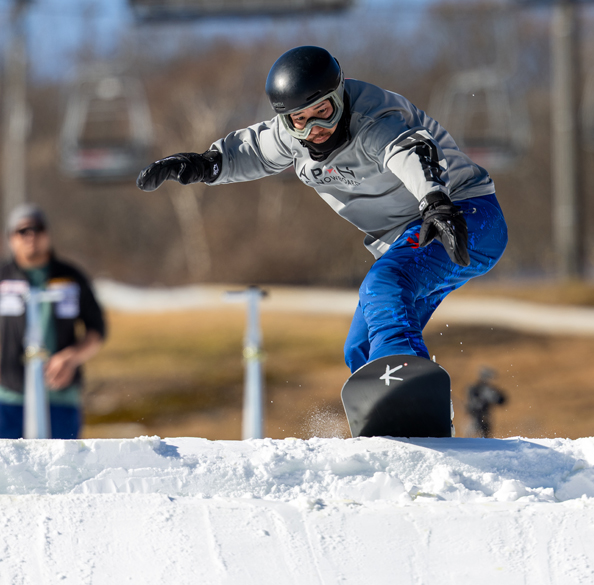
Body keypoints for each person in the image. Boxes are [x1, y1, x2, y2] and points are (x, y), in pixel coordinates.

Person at [137, 45, 508, 374]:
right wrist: (201, 165)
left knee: (385, 283)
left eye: (324, 111)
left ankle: (406, 379)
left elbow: (408, 152)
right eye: (301, 118)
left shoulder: (374, 117)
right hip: (410, 238)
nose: (316, 127)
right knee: (361, 348)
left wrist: (435, 203)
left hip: (463, 215)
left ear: (340, 94)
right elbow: (248, 151)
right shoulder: (290, 135)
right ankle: (396, 418)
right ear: (287, 119)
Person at [0, 204, 106, 439]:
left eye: (38, 229)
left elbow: (97, 329)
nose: (31, 236)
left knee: (62, 470)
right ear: (10, 238)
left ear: (48, 234)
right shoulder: (3, 278)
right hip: (8, 397)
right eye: (22, 230)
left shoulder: (70, 277)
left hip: (60, 396)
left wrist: (71, 357)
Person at [465, 367, 506, 438]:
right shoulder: (478, 389)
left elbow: (501, 400)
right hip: (474, 419)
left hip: (484, 418)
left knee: (481, 439)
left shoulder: (484, 389)